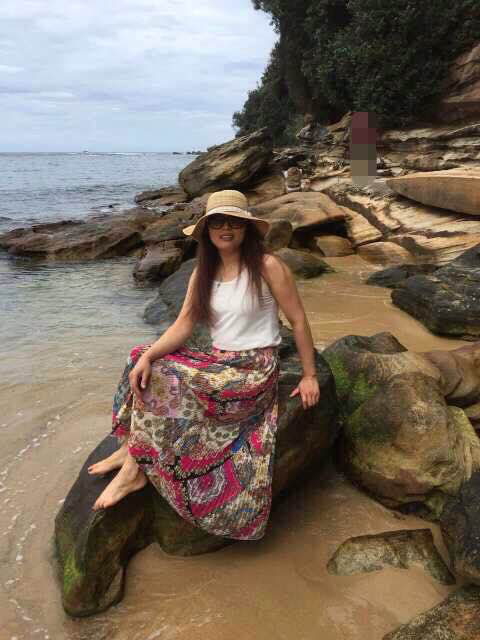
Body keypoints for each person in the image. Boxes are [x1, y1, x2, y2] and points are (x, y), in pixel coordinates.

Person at [88, 189, 320, 540]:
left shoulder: (267, 266)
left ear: (246, 228)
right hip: (218, 362)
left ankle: (134, 469)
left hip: (253, 370)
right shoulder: (203, 273)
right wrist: (149, 355)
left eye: (234, 222)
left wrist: (309, 375)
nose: (226, 228)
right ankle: (131, 445)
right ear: (207, 230)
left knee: (164, 375)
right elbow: (183, 325)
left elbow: (298, 320)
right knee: (139, 356)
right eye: (217, 222)